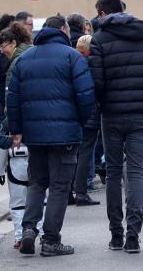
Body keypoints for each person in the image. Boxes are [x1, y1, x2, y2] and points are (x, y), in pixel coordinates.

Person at [8, 15, 95, 257]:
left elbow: (12, 99)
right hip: (65, 135)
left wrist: (17, 129)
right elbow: (86, 95)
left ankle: (28, 230)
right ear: (64, 30)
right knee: (59, 186)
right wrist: (80, 121)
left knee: (37, 182)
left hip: (34, 135)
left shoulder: (24, 59)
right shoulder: (72, 57)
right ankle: (51, 239)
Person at [89, 0, 143, 253]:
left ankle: (116, 233)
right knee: (135, 170)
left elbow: (97, 82)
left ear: (103, 14)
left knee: (112, 172)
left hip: (110, 113)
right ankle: (134, 233)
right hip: (142, 113)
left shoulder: (99, 40)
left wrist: (102, 103)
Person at [0, 21, 34, 247]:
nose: (2, 52)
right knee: (38, 190)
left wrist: (8, 127)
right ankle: (36, 230)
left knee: (18, 192)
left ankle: (21, 236)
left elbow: (12, 103)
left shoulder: (16, 65)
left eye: (3, 47)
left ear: (13, 42)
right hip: (41, 133)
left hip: (20, 135)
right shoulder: (34, 55)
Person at [71, 34, 101, 207]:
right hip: (90, 113)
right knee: (84, 154)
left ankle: (68, 191)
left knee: (71, 153)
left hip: (73, 114)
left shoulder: (72, 63)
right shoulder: (93, 65)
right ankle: (81, 192)